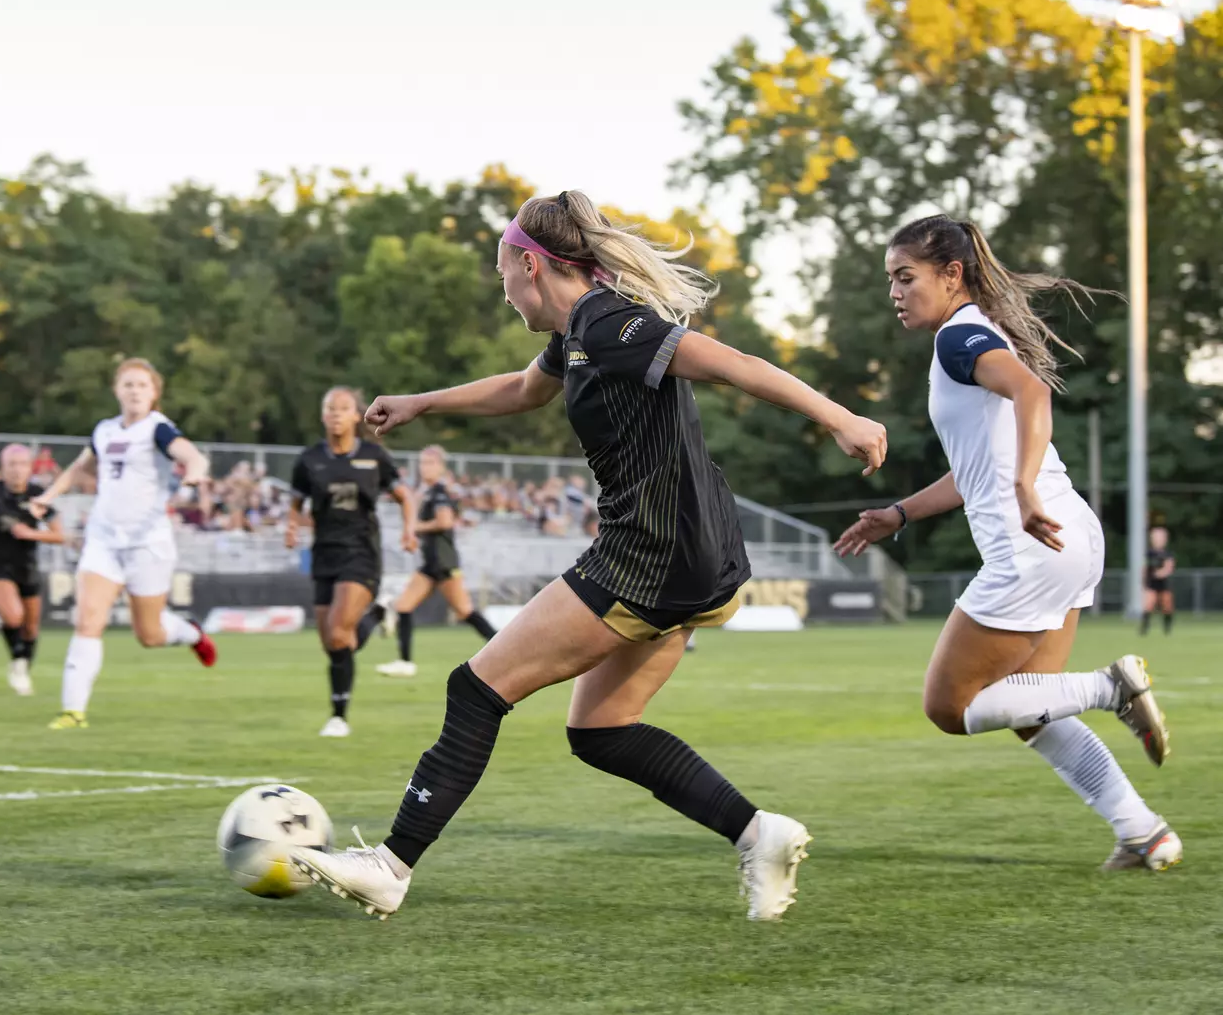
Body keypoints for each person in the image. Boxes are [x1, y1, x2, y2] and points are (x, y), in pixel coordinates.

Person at [289, 190, 887, 921]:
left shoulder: (609, 324)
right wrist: (422, 401)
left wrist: (839, 416)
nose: (503, 291)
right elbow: (519, 389)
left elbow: (727, 363)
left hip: (652, 555)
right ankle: (760, 833)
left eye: (503, 273)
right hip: (693, 556)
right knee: (600, 730)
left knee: (475, 690)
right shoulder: (578, 331)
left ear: (533, 268)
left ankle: (389, 866)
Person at [835, 214, 1179, 872]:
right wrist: (899, 514)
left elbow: (1029, 392)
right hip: (1068, 535)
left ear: (950, 274)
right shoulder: (974, 335)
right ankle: (1142, 833)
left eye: (904, 277)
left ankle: (1111, 689)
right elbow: (974, 469)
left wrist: (1022, 485)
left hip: (1032, 543)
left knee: (949, 707)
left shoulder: (958, 338)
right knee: (1029, 705)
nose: (894, 292)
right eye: (890, 281)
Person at [33, 358, 218, 731]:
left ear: (154, 393)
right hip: (103, 540)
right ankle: (73, 711)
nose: (135, 391)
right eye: (128, 384)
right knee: (87, 620)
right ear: (117, 390)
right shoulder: (104, 430)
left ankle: (191, 633)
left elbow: (191, 454)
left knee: (149, 635)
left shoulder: (157, 429)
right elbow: (79, 468)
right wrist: (47, 496)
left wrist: (196, 472)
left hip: (147, 544)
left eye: (142, 385)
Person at [286, 387, 418, 738]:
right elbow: (296, 501)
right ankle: (376, 615)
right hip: (323, 554)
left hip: (361, 555)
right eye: (329, 407)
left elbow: (405, 497)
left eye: (342, 408)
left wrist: (409, 530)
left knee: (339, 629)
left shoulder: (374, 456)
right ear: (322, 414)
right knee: (332, 640)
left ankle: (338, 716)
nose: (335, 414)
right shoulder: (309, 459)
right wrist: (290, 526)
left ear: (354, 414)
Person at [375, 445, 496, 678]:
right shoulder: (429, 492)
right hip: (431, 562)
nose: (425, 467)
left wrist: (414, 528)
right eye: (422, 463)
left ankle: (506, 648)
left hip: (443, 561)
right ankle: (405, 662)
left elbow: (445, 522)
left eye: (430, 463)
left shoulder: (439, 492)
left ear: (440, 467)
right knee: (403, 606)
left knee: (465, 612)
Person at [0, 443, 65, 696]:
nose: (17, 470)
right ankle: (19, 666)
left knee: (31, 628)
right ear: (2, 468)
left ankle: (21, 667)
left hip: (27, 566)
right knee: (13, 617)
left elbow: (59, 535)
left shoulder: (38, 495)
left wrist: (31, 533)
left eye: (22, 465)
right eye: (12, 465)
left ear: (30, 467)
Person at [1140, 525, 1175, 636]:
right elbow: (1144, 568)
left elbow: (1169, 567)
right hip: (1151, 583)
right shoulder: (1149, 553)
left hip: (1163, 583)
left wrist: (1161, 573)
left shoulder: (1167, 554)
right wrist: (1143, 581)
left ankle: (1167, 630)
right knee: (1149, 605)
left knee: (1167, 606)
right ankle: (1144, 630)